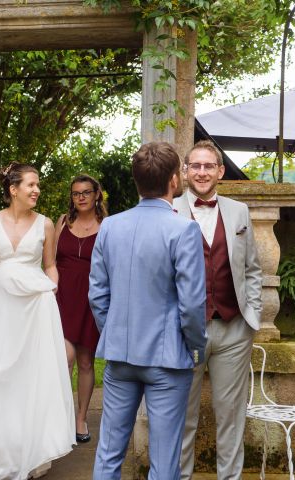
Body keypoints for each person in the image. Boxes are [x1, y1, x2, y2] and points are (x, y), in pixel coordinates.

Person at [89, 141, 207, 480]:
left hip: (120, 356)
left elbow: (98, 294)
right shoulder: (184, 229)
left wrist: (113, 333)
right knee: (164, 460)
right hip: (168, 359)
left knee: (109, 453)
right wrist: (196, 347)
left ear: (136, 181)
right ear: (174, 179)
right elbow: (191, 304)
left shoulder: (110, 226)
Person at [0, 162, 75, 480]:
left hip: (35, 309)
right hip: (0, 309)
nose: (36, 190)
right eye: (31, 185)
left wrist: (52, 289)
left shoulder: (46, 224)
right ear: (13, 189)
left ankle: (31, 452)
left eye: (37, 185)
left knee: (30, 378)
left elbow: (50, 266)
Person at [175, 140, 262, 480]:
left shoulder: (238, 211)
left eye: (208, 166)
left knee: (231, 416)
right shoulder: (170, 211)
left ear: (220, 171)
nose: (201, 172)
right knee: (183, 417)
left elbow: (252, 268)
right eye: (195, 166)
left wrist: (251, 314)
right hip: (185, 331)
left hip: (233, 329)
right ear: (184, 171)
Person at [54, 174, 107, 443]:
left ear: (97, 194)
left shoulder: (108, 225)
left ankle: (81, 418)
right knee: (65, 359)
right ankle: (58, 417)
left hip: (91, 300)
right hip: (62, 299)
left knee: (86, 362)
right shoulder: (62, 222)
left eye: (86, 192)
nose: (81, 197)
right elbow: (49, 262)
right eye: (76, 193)